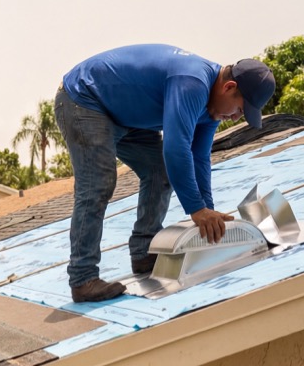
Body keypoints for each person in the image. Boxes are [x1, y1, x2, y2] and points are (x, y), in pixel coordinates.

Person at [54, 45, 276, 302]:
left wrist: (207, 212)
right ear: (228, 87)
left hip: (125, 114)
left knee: (160, 172)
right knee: (98, 184)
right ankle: (83, 279)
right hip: (85, 98)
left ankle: (143, 252)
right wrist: (196, 209)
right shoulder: (193, 83)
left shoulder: (212, 107)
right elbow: (176, 147)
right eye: (239, 109)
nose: (236, 118)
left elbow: (199, 157)